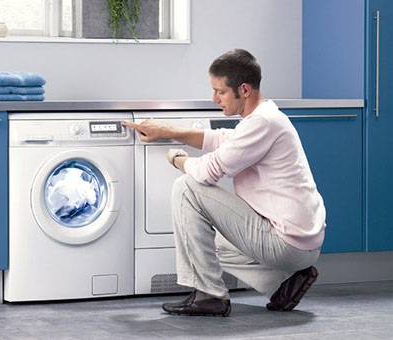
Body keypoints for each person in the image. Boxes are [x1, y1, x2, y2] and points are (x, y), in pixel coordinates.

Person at [123, 49, 326, 317]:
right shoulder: (266, 117)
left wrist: (177, 159)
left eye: (220, 91)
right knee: (205, 247)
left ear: (244, 90)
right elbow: (222, 139)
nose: (214, 98)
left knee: (186, 187)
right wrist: (168, 131)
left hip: (286, 242)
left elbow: (209, 171)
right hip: (302, 243)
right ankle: (282, 286)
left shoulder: (262, 122)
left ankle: (209, 296)